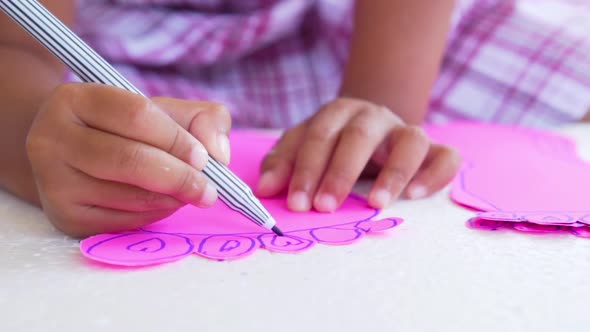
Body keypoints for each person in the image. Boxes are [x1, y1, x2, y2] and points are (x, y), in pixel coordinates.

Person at [0, 0, 588, 237]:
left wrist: (378, 103)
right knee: (93, 125)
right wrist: (37, 140)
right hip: (117, 42)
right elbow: (19, 46)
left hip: (347, 22)